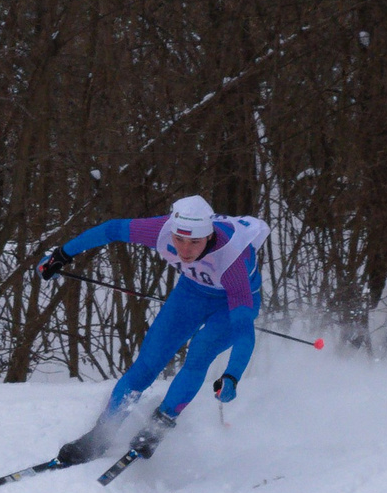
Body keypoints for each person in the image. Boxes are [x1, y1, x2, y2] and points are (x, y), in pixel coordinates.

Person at [37, 193, 270, 465]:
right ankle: (102, 435)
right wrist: (62, 255)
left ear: (208, 237)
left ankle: (159, 425)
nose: (185, 249)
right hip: (192, 293)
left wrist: (232, 375)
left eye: (194, 242)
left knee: (200, 353)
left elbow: (244, 330)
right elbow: (111, 229)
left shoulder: (233, 260)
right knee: (149, 360)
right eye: (179, 240)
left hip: (231, 304)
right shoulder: (161, 230)